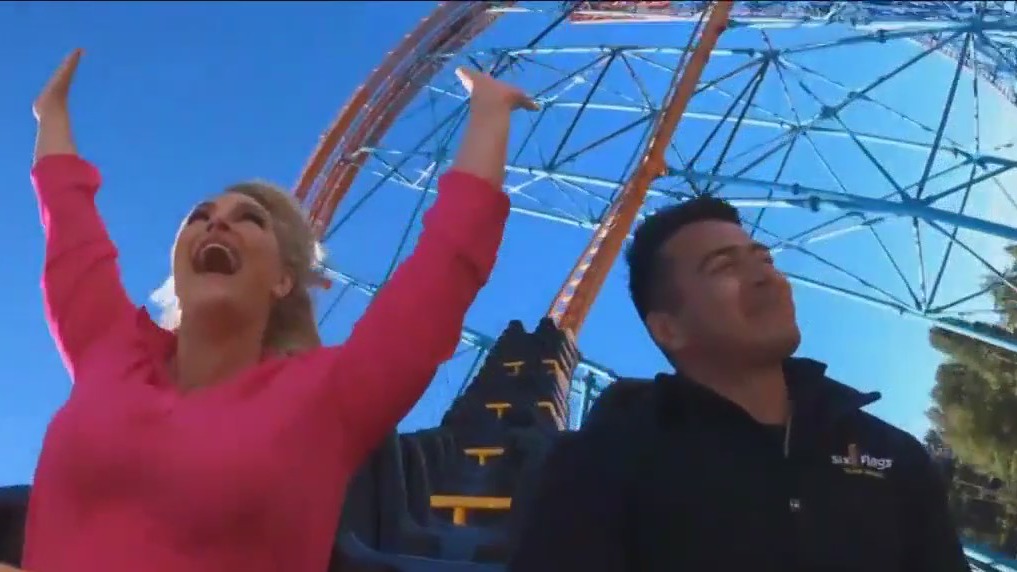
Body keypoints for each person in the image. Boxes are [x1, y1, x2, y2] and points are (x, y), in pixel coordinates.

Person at [21, 49, 535, 572]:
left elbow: (444, 269)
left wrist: (489, 114)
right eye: (200, 216)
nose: (217, 223)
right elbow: (71, 230)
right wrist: (52, 115)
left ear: (284, 280)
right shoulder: (110, 351)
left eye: (250, 219)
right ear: (177, 267)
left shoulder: (330, 397)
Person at [509, 197, 971, 571]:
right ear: (669, 328)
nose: (767, 277)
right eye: (724, 267)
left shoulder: (892, 453)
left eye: (765, 259)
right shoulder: (605, 461)